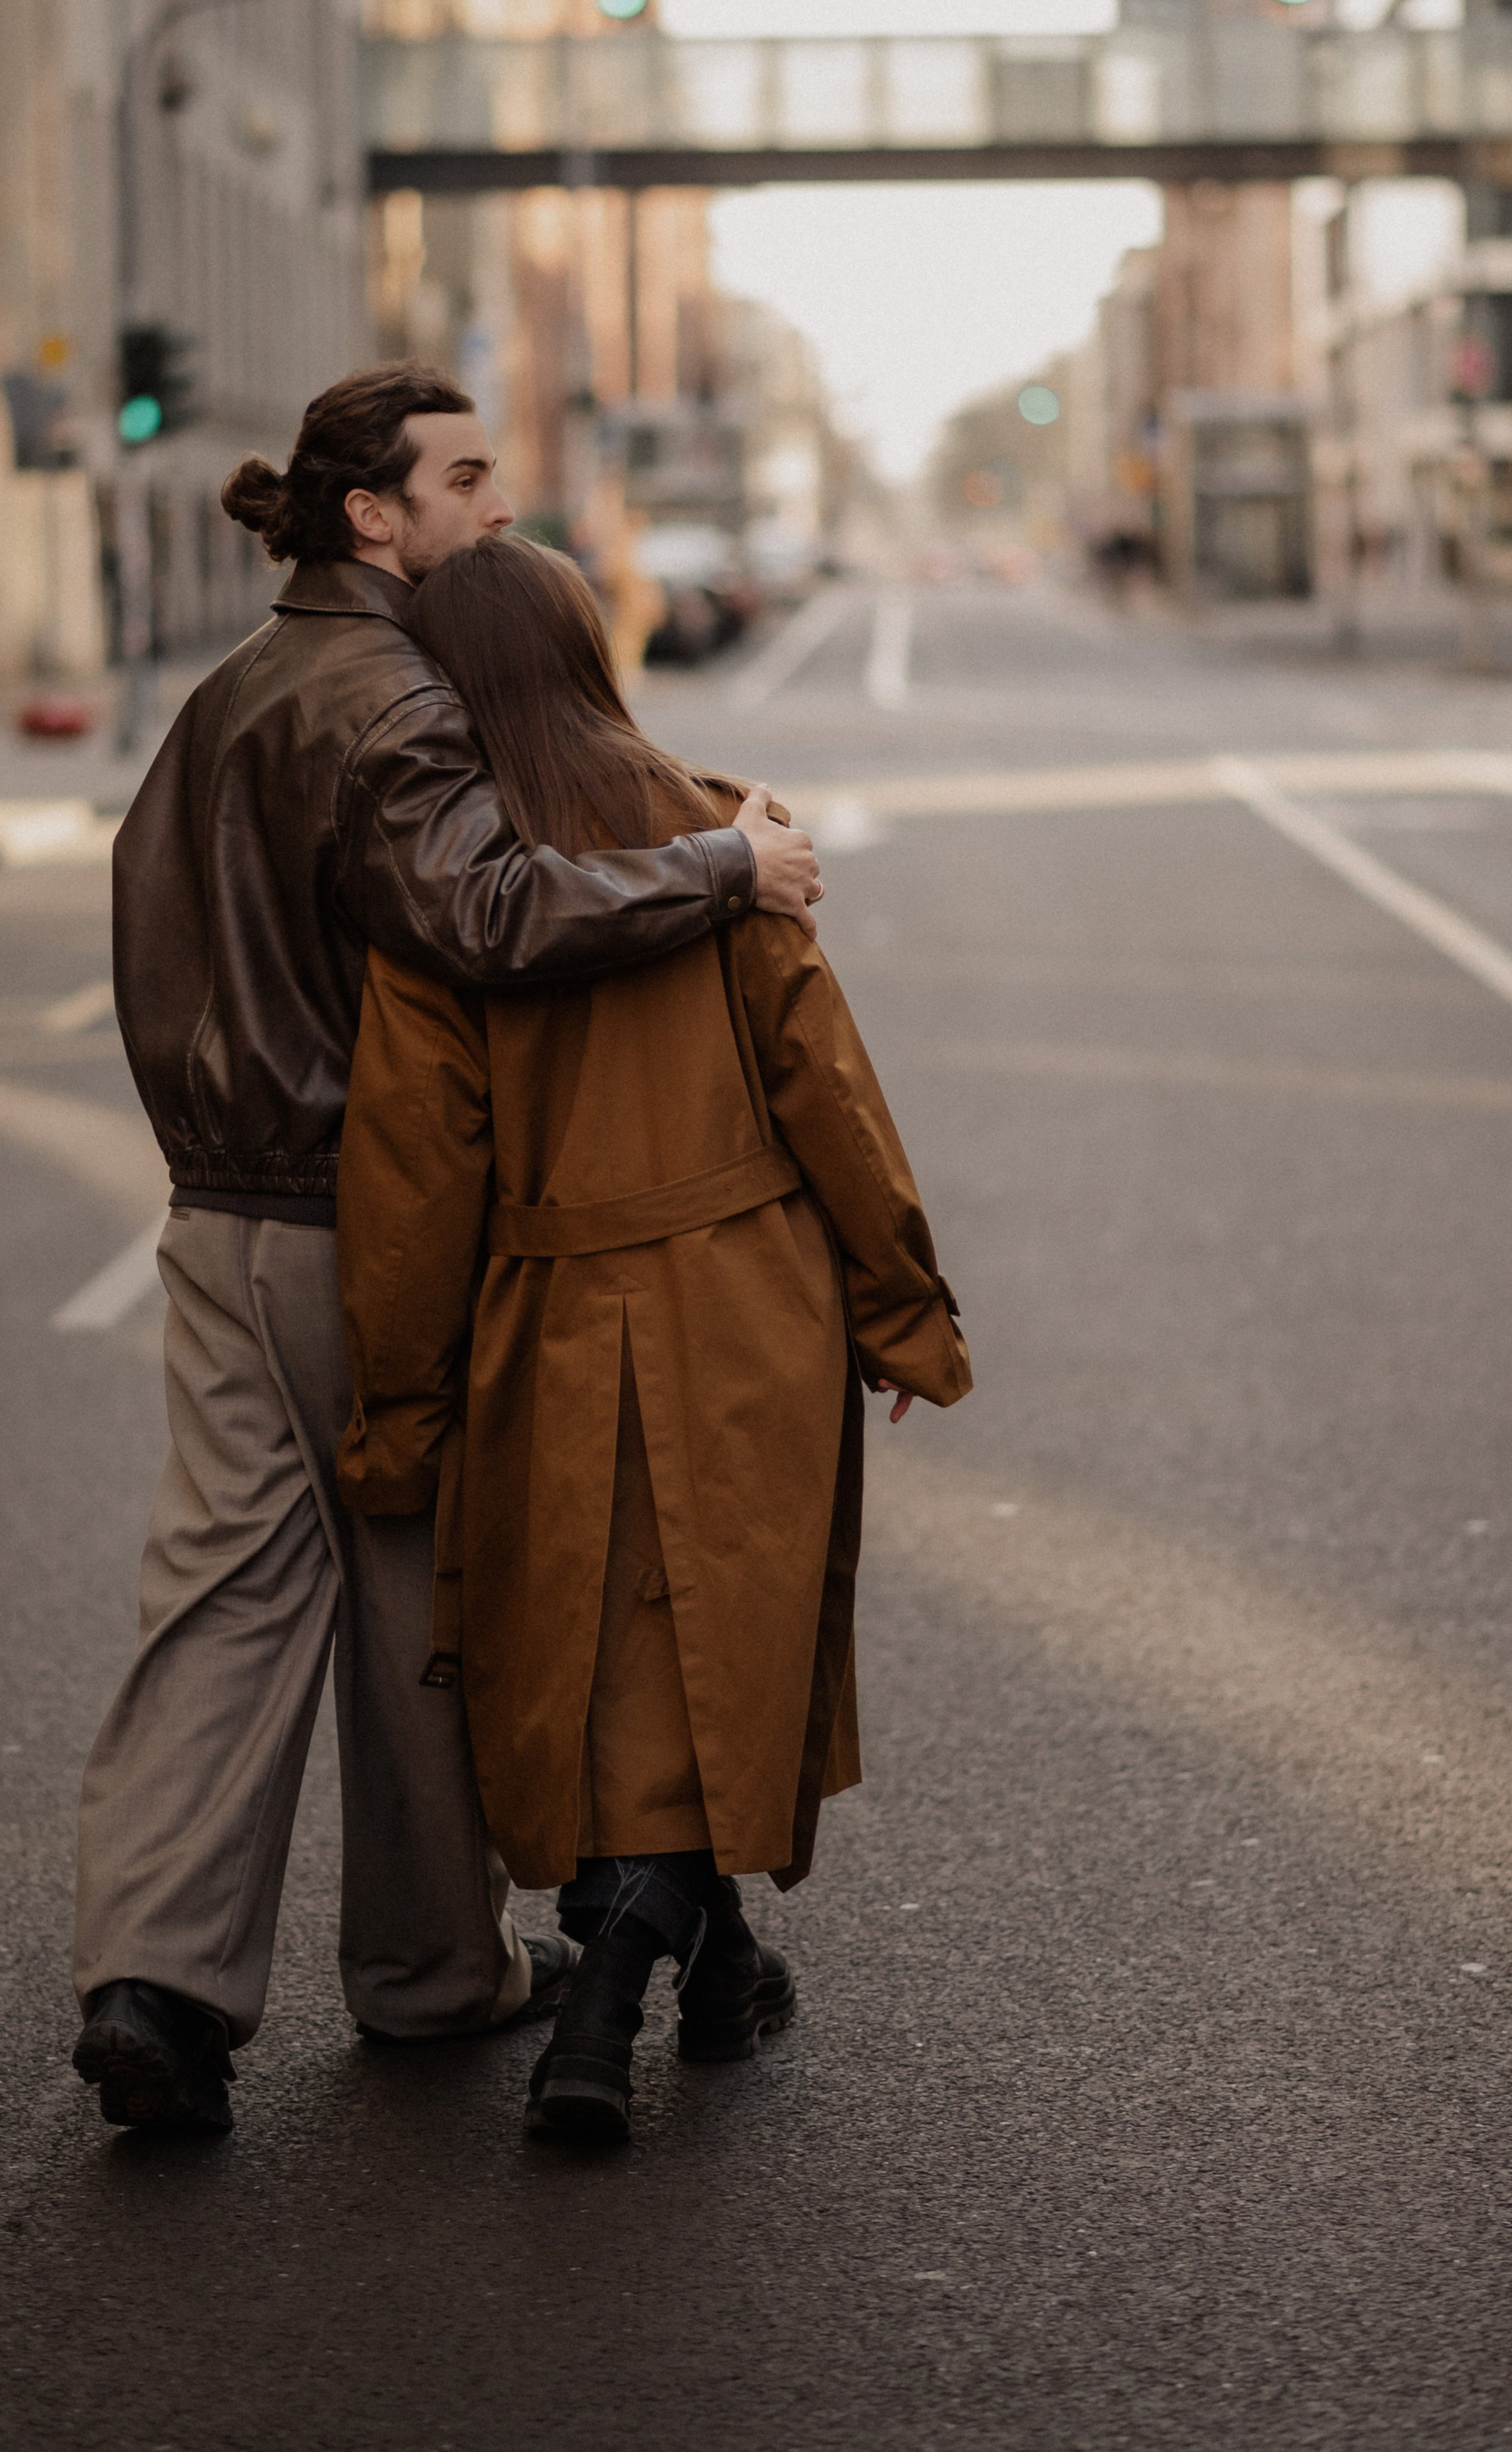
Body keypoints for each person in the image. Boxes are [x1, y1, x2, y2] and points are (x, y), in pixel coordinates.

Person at [72, 365, 823, 2134]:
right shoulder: (398, 699)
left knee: (221, 1590)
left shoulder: (230, 688)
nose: (497, 505)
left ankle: (150, 1978)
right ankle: (425, 1972)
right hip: (368, 1220)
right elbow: (487, 912)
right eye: (465, 477)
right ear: (373, 513)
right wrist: (721, 865)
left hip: (216, 1216)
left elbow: (148, 920)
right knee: (422, 1594)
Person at [334, 532, 970, 2148]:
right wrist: (897, 1304)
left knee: (593, 1656)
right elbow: (824, 1088)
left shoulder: (452, 898)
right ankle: (628, 1997)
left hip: (550, 1312)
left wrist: (402, 1406)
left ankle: (654, 1983)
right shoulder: (722, 828)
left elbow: (413, 1177)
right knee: (706, 1648)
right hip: (748, 1298)